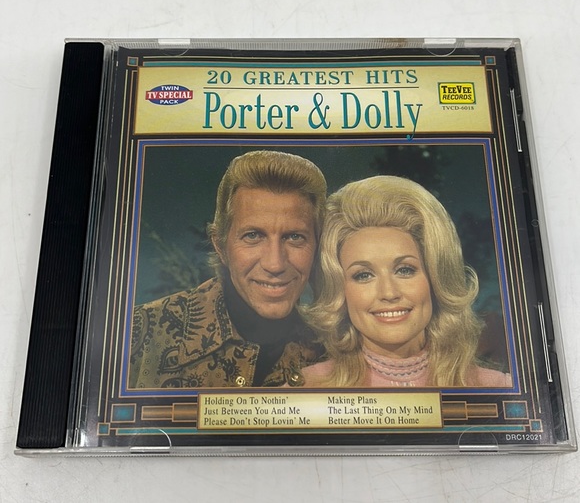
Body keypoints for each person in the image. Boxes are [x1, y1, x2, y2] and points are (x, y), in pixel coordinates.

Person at [129, 150, 326, 389]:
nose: (275, 264)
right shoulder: (135, 334)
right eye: (253, 235)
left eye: (294, 237)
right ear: (220, 246)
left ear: (317, 246)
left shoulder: (331, 350)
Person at [298, 175, 511, 388]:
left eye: (405, 270)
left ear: (435, 279)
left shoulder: (496, 387)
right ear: (339, 290)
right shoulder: (306, 390)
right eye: (363, 275)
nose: (389, 293)